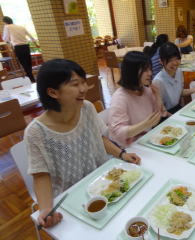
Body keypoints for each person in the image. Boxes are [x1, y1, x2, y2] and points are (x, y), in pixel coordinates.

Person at [25, 59, 140, 228]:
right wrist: (46, 209)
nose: (84, 89)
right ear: (53, 92)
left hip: (104, 182)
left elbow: (99, 138)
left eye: (84, 82)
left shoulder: (86, 108)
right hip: (70, 198)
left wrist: (122, 154)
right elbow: (40, 175)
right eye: (75, 84)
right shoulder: (36, 132)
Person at [108, 51, 168, 147]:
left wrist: (157, 95)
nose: (150, 73)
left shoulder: (146, 90)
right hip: (127, 148)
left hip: (146, 140)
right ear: (132, 71)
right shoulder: (120, 97)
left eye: (150, 69)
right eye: (145, 70)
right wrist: (144, 125)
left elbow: (157, 118)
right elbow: (118, 132)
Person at [153, 42, 195, 114]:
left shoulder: (179, 72)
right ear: (161, 61)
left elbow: (180, 92)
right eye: (170, 60)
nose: (175, 63)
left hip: (176, 109)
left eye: (177, 58)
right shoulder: (158, 81)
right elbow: (160, 110)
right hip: (165, 115)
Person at [2, 16, 38, 82]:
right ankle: (30, 76)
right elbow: (31, 37)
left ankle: (31, 78)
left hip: (18, 47)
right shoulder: (21, 27)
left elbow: (5, 38)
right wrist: (35, 44)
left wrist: (10, 41)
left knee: (23, 62)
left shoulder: (7, 27)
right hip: (26, 46)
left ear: (5, 22)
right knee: (28, 62)